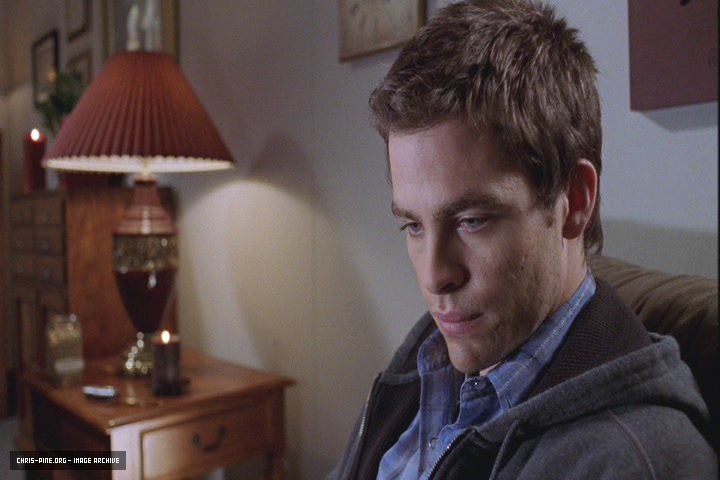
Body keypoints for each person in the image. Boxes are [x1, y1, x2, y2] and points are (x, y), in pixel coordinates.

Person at [326, 1, 717, 479]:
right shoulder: (427, 352)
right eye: (414, 226)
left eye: (471, 221)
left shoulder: (634, 460)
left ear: (574, 201)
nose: (434, 276)